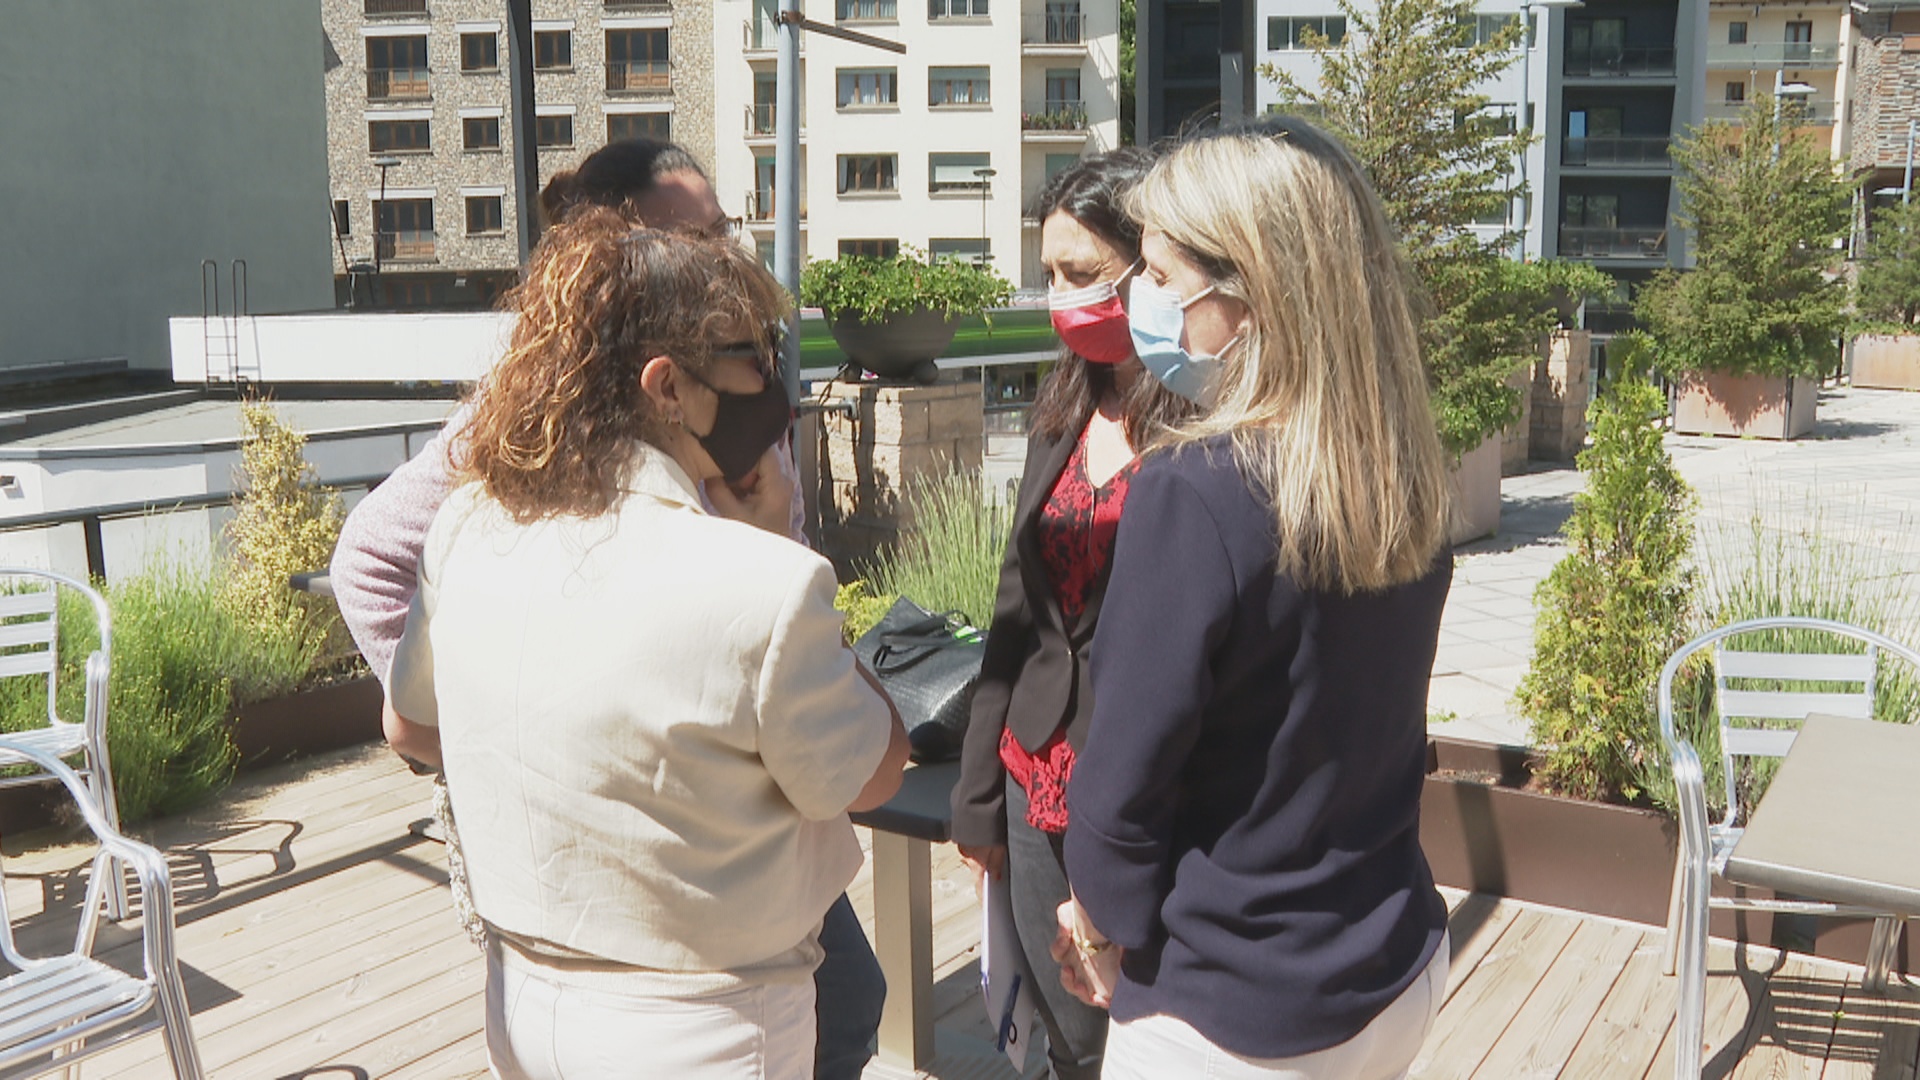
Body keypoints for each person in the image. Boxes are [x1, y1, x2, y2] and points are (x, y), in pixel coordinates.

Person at [329, 138, 878, 1080]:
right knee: (845, 1007)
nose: (721, 255)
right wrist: (524, 733)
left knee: (854, 998)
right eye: (695, 237)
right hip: (689, 956)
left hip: (642, 907)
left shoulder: (492, 510)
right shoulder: (524, 428)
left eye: (723, 231)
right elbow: (375, 561)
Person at [1051, 118, 1456, 1079]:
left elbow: (1122, 788)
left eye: (1156, 276)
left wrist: (1101, 925)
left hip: (1230, 1008)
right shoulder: (1397, 470)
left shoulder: (1197, 488)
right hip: (1390, 960)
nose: (1135, 300)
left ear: (1252, 299)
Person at [947, 146, 1191, 1080]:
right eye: (1049, 273)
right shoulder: (1062, 407)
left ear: (1151, 267)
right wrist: (975, 796)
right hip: (1031, 770)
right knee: (1057, 1027)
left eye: (1083, 274)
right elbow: (1015, 610)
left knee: (1132, 1020)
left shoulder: (1205, 432)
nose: (1060, 296)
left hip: (1139, 788)